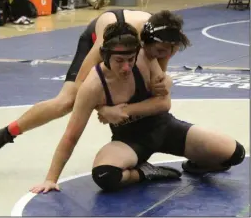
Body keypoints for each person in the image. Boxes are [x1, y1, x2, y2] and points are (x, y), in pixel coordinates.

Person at [30, 22, 245, 194]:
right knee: (105, 176)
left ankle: (197, 165)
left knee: (235, 154)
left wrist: (123, 111)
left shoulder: (144, 59)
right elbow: (71, 135)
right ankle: (145, 173)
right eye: (119, 60)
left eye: (130, 59)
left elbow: (163, 102)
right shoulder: (93, 86)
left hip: (165, 128)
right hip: (129, 141)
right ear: (105, 56)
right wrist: (51, 178)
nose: (125, 67)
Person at [0, 10, 186, 163]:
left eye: (170, 51)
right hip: (97, 38)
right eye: (160, 51)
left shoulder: (164, 41)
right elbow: (84, 86)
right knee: (67, 101)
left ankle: (136, 148)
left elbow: (158, 82)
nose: (166, 55)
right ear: (146, 43)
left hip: (134, 39)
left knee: (147, 88)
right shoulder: (111, 39)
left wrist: (164, 82)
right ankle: (6, 133)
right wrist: (103, 108)